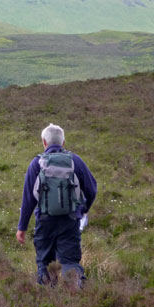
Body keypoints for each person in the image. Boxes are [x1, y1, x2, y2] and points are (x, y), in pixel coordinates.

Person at [16, 123, 97, 288]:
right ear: (63, 142)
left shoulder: (36, 163)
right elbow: (92, 189)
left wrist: (22, 227)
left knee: (45, 263)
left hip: (45, 222)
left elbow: (28, 199)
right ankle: (76, 296)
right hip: (70, 220)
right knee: (70, 261)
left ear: (44, 142)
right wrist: (82, 210)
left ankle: (48, 299)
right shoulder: (76, 161)